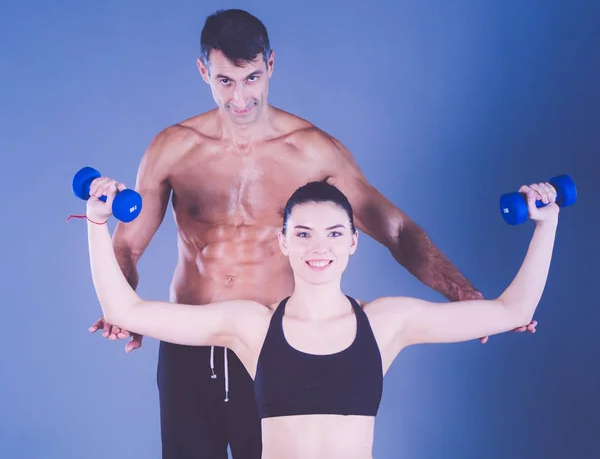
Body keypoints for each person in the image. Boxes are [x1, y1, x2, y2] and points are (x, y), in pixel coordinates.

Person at [88, 9, 536, 458]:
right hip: (189, 341)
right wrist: (121, 305)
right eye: (226, 80)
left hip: (267, 347)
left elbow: (397, 231)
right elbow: (128, 243)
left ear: (271, 65)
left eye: (252, 77)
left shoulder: (314, 151)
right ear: (204, 70)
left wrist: (462, 292)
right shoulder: (172, 148)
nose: (241, 96)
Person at [83, 176, 559, 459]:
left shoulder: (386, 323)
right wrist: (97, 222)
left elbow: (512, 310)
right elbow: (124, 310)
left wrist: (547, 224)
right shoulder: (251, 326)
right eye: (304, 234)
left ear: (352, 241)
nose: (319, 247)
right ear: (284, 241)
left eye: (334, 233)